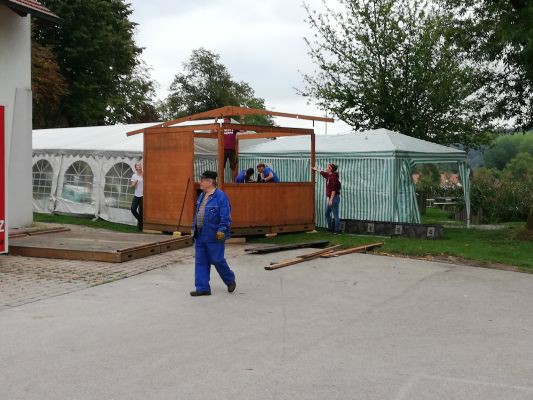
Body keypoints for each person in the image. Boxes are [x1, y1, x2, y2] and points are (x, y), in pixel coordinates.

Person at [190, 171, 236, 296]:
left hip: (214, 235)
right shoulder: (201, 196)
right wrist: (193, 229)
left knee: (217, 260)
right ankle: (202, 288)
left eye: (202, 180)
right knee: (201, 261)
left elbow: (225, 216)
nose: (200, 182)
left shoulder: (221, 197)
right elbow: (198, 214)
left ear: (210, 182)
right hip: (200, 234)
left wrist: (221, 230)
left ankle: (230, 279)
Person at [312, 163, 341, 234]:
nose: (326, 168)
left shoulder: (333, 177)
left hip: (334, 198)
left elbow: (334, 190)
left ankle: (337, 230)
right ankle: (330, 228)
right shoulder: (329, 175)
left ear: (331, 169)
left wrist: (331, 200)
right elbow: (323, 173)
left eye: (328, 167)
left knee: (335, 215)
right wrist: (315, 169)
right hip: (332, 198)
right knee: (327, 213)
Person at [130, 161, 144, 231]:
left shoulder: (144, 174)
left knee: (141, 211)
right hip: (137, 195)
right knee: (133, 209)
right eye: (138, 165)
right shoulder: (134, 176)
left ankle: (140, 227)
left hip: (143, 196)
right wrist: (135, 183)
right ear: (136, 168)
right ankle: (141, 221)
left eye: (140, 165)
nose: (140, 166)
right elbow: (132, 186)